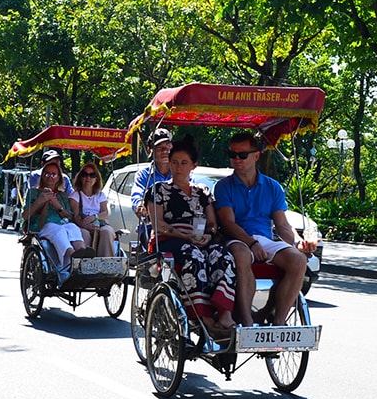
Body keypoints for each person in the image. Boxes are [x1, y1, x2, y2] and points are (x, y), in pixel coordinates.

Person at [215, 130, 314, 329]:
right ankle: (247, 322)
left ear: (256, 155)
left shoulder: (272, 187)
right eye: (232, 155)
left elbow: (283, 225)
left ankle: (278, 322)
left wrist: (297, 243)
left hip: (265, 239)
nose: (237, 159)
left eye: (242, 155)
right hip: (237, 239)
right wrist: (251, 243)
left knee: (298, 260)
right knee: (242, 255)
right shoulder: (224, 186)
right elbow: (228, 223)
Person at [152, 135, 238, 335]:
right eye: (174, 163)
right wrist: (184, 236)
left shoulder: (203, 192)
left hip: (200, 239)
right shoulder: (159, 190)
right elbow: (158, 224)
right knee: (194, 255)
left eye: (184, 163)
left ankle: (225, 313)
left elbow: (212, 223)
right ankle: (203, 316)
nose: (178, 167)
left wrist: (209, 235)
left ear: (194, 165)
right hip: (171, 239)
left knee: (223, 255)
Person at [26, 151, 91, 266]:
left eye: (53, 174)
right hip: (42, 225)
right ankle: (72, 256)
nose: (50, 177)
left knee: (72, 227)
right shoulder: (33, 193)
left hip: (62, 223)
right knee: (59, 230)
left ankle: (82, 253)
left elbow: (69, 216)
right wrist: (40, 200)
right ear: (42, 175)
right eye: (46, 174)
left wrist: (58, 206)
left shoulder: (62, 195)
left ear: (58, 178)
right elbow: (25, 216)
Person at [130, 128, 175, 243]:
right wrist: (140, 207)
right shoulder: (143, 175)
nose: (165, 151)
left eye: (168, 146)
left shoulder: (181, 171)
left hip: (179, 226)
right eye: (160, 148)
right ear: (150, 150)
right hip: (152, 228)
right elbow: (137, 195)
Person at [72, 162, 115, 258]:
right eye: (85, 175)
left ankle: (105, 263)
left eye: (92, 175)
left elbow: (105, 213)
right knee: (84, 234)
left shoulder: (100, 195)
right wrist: (85, 224)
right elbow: (75, 216)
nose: (88, 178)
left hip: (100, 223)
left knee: (106, 232)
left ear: (96, 179)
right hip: (83, 225)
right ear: (80, 177)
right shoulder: (75, 195)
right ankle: (85, 263)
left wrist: (94, 217)